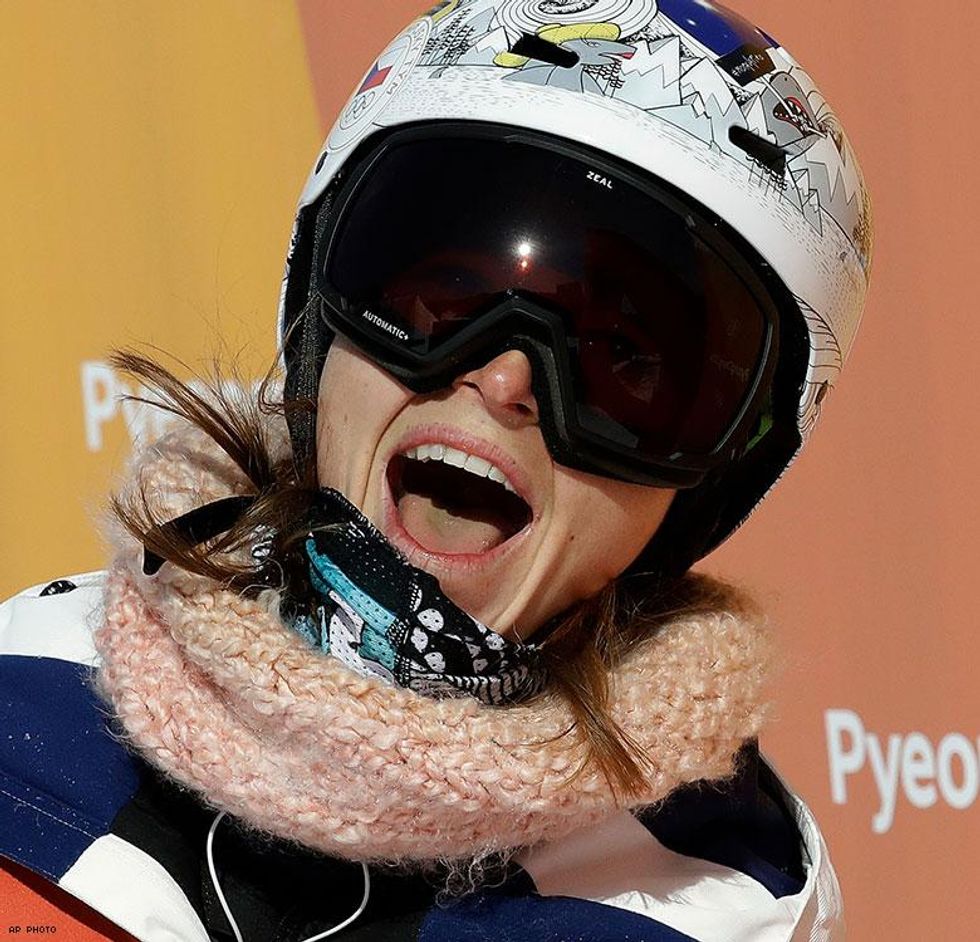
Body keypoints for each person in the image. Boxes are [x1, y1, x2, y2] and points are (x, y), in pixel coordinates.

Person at [0, 0, 871, 939]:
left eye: (620, 360)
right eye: (449, 297)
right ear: (321, 319)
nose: (503, 380)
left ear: (707, 487)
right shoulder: (31, 691)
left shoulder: (726, 894)